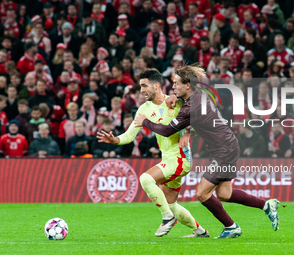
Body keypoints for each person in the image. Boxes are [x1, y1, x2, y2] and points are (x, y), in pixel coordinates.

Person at [133, 64, 279, 238]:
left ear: (187, 85)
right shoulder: (200, 93)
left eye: (176, 83)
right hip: (227, 145)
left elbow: (166, 131)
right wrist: (177, 102)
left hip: (224, 149)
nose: (173, 86)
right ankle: (266, 206)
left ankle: (232, 227)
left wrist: (145, 121)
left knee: (202, 194)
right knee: (225, 194)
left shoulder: (189, 108)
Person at [97, 69, 208, 238]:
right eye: (140, 86)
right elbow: (129, 135)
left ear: (157, 85)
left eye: (144, 86)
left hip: (180, 157)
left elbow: (202, 121)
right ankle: (199, 231)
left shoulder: (177, 101)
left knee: (145, 178)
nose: (141, 90)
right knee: (171, 204)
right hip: (169, 159)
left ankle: (167, 219)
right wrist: (115, 140)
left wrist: (189, 132)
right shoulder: (144, 109)